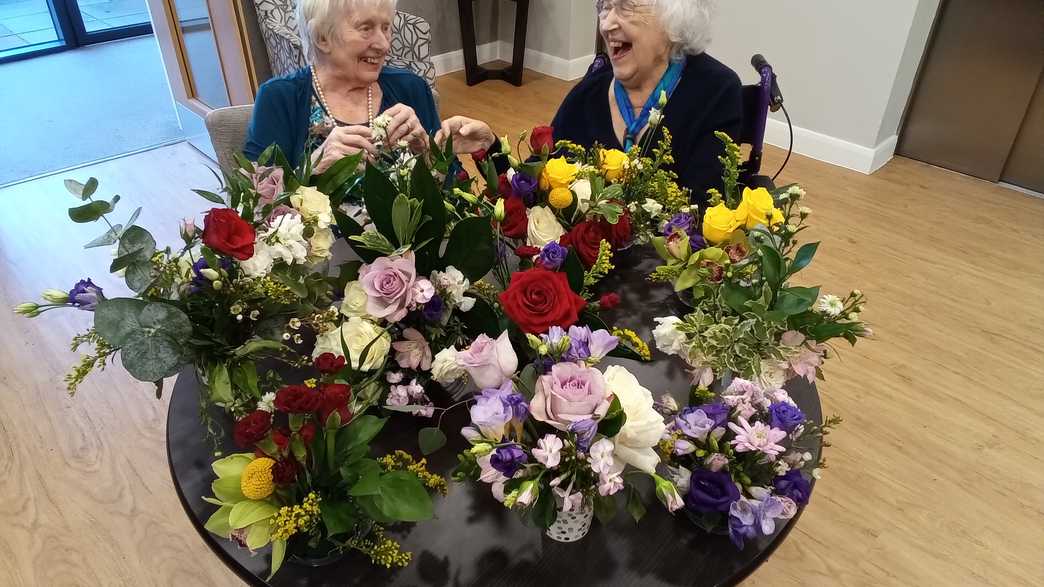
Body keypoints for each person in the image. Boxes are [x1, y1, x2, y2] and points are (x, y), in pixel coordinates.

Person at [439, 0, 741, 203]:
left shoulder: (715, 90)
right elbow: (534, 187)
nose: (607, 23)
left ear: (673, 14)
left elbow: (703, 213)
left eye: (624, 5)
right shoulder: (589, 94)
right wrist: (490, 147)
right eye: (603, 7)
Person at [244, 0, 495, 173]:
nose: (384, 45)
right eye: (366, 29)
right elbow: (255, 207)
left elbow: (447, 189)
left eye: (386, 28)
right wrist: (313, 165)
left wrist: (433, 157)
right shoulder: (279, 98)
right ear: (322, 37)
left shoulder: (411, 88)